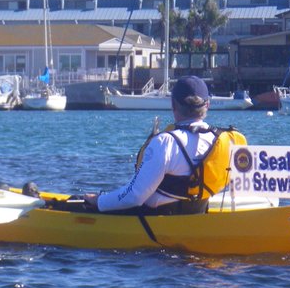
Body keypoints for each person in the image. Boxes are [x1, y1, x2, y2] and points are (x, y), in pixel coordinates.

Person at [81, 76, 221, 215]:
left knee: (90, 205)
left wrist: (99, 201)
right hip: (199, 215)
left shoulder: (165, 142)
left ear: (173, 106)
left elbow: (134, 197)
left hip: (156, 221)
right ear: (207, 105)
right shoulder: (219, 140)